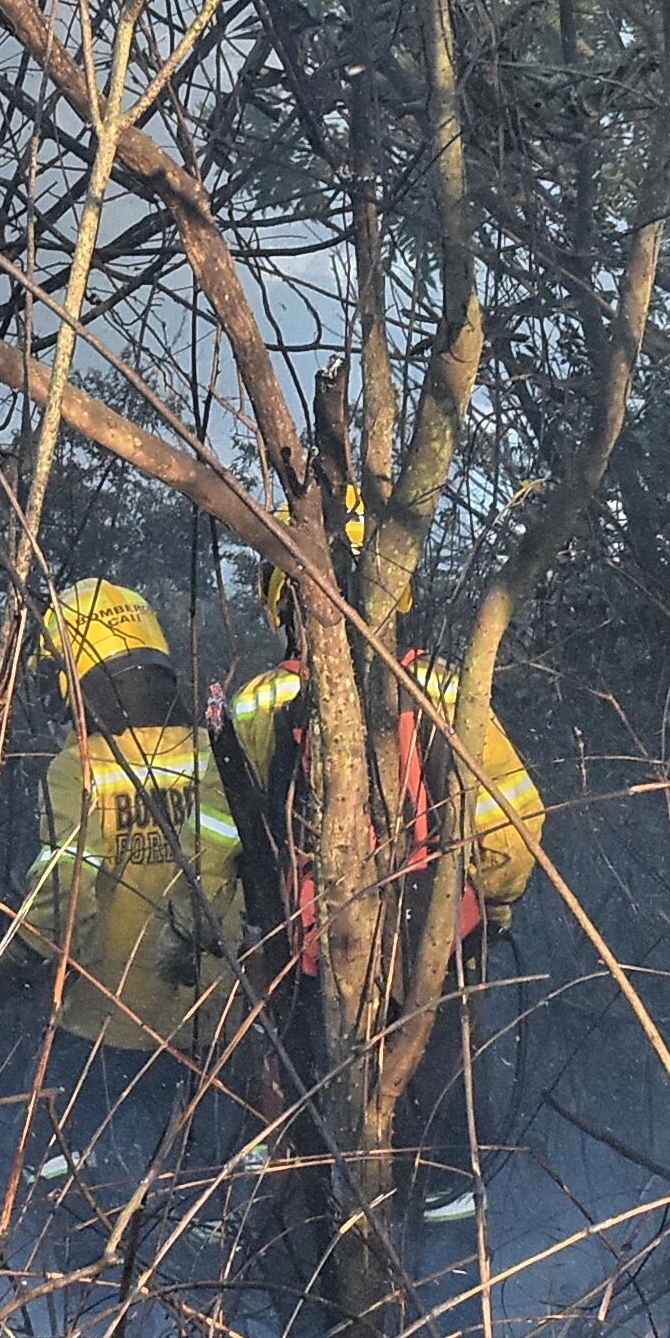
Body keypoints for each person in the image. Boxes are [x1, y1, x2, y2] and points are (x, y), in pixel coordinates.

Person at [226, 501, 546, 1225]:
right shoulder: (442, 687)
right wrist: (489, 904)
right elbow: (514, 815)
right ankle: (448, 1254)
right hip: (436, 947)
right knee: (442, 1141)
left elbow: (228, 842)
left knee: (323, 1131)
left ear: (282, 600)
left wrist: (238, 931)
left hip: (312, 958)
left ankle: (330, 1253)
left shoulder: (259, 703)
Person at [0, 578, 247, 1183]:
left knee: (72, 1185)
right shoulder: (213, 753)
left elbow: (64, 894)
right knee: (200, 1185)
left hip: (102, 1024)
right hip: (206, 1020)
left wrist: (18, 957)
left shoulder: (77, 769)